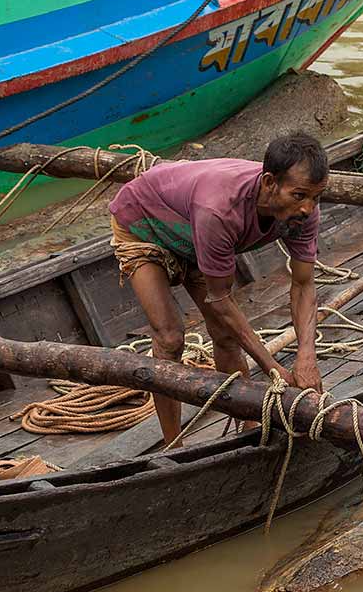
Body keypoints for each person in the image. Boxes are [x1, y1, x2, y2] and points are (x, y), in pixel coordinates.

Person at [108, 132, 326, 443]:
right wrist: (274, 368)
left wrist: (307, 356)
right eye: (299, 196)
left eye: (316, 197)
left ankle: (250, 429)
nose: (308, 208)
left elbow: (304, 284)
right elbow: (221, 299)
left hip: (193, 235)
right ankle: (173, 446)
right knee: (170, 338)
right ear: (268, 183)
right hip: (144, 223)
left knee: (225, 335)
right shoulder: (220, 210)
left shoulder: (304, 214)